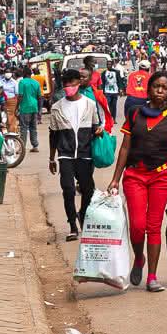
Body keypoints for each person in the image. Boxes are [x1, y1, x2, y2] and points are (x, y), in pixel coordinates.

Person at [105, 71, 167, 292]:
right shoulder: (134, 114)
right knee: (136, 226)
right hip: (134, 175)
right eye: (156, 86)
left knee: (153, 227)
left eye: (164, 88)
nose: (160, 90)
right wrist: (115, 178)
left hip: (161, 177)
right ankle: (138, 258)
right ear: (149, 88)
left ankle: (152, 277)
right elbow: (125, 147)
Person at [48, 67, 105, 242]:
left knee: (88, 190)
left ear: (78, 84)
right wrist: (52, 158)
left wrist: (99, 130)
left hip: (85, 154)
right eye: (65, 83)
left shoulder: (89, 104)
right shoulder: (57, 107)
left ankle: (82, 213)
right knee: (68, 189)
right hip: (65, 155)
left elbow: (96, 125)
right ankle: (72, 226)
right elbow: (53, 134)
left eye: (71, 83)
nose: (68, 86)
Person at [16, 65, 44, 153]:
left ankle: (22, 147)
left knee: (24, 128)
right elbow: (39, 97)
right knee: (33, 127)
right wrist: (39, 109)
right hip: (34, 107)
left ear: (24, 73)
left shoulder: (22, 82)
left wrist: (17, 107)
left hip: (25, 107)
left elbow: (20, 96)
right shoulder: (36, 83)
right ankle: (35, 145)